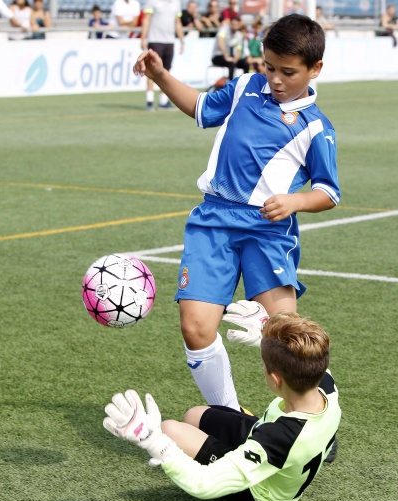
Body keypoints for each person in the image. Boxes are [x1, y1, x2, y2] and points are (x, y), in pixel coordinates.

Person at [131, 13, 340, 427]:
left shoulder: (316, 128)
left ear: (315, 69)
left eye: (288, 72)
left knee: (289, 337)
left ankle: (319, 422)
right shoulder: (244, 86)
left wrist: (295, 202)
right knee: (195, 328)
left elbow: (328, 192)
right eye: (269, 67)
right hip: (213, 222)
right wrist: (159, 74)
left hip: (267, 230)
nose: (276, 79)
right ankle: (231, 416)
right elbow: (200, 107)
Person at [103, 310, 341, 501]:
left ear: (276, 379)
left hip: (262, 489)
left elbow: (203, 484)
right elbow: (305, 362)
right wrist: (265, 339)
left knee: (168, 431)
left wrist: (154, 442)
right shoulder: (325, 386)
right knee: (193, 415)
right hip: (270, 438)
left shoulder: (279, 438)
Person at [140, 0, 185, 111]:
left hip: (169, 41)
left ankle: (163, 101)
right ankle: (149, 100)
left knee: (166, 71)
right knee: (152, 70)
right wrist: (143, 37)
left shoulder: (176, 3)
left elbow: (177, 22)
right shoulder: (153, 2)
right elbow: (147, 19)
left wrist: (182, 40)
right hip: (155, 40)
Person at [211, 15, 248, 80]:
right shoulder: (224, 29)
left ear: (239, 25)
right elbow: (220, 42)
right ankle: (230, 85)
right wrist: (226, 56)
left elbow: (238, 51)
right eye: (233, 24)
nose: (234, 26)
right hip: (218, 55)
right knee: (231, 64)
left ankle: (246, 83)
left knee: (245, 64)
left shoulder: (239, 35)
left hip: (229, 57)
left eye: (236, 24)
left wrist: (235, 59)